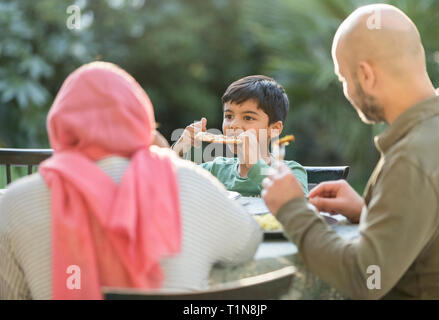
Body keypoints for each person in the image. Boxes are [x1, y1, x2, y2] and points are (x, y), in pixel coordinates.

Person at [0, 62, 262, 300]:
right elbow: (247, 244)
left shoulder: (13, 203)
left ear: (58, 122)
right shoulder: (189, 181)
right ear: (143, 120)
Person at [261, 4, 439, 299]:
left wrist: (292, 208)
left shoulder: (413, 156)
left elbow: (364, 279)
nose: (346, 89)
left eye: (343, 78)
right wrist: (370, 212)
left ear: (366, 75)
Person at [172, 75, 308, 197]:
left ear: (274, 129)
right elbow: (167, 180)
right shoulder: (216, 169)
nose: (233, 125)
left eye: (248, 118)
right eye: (229, 116)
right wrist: (178, 149)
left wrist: (255, 164)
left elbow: (297, 204)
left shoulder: (290, 172)